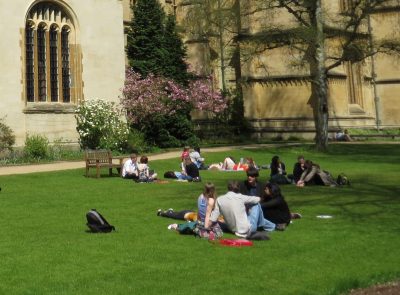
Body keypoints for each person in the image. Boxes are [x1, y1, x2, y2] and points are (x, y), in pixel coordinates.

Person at [209, 180, 284, 238]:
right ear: (238, 188)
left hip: (232, 229)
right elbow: (257, 199)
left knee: (251, 211)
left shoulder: (219, 199)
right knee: (256, 205)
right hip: (246, 229)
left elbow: (214, 218)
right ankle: (272, 226)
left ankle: (272, 226)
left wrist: (208, 224)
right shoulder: (241, 197)